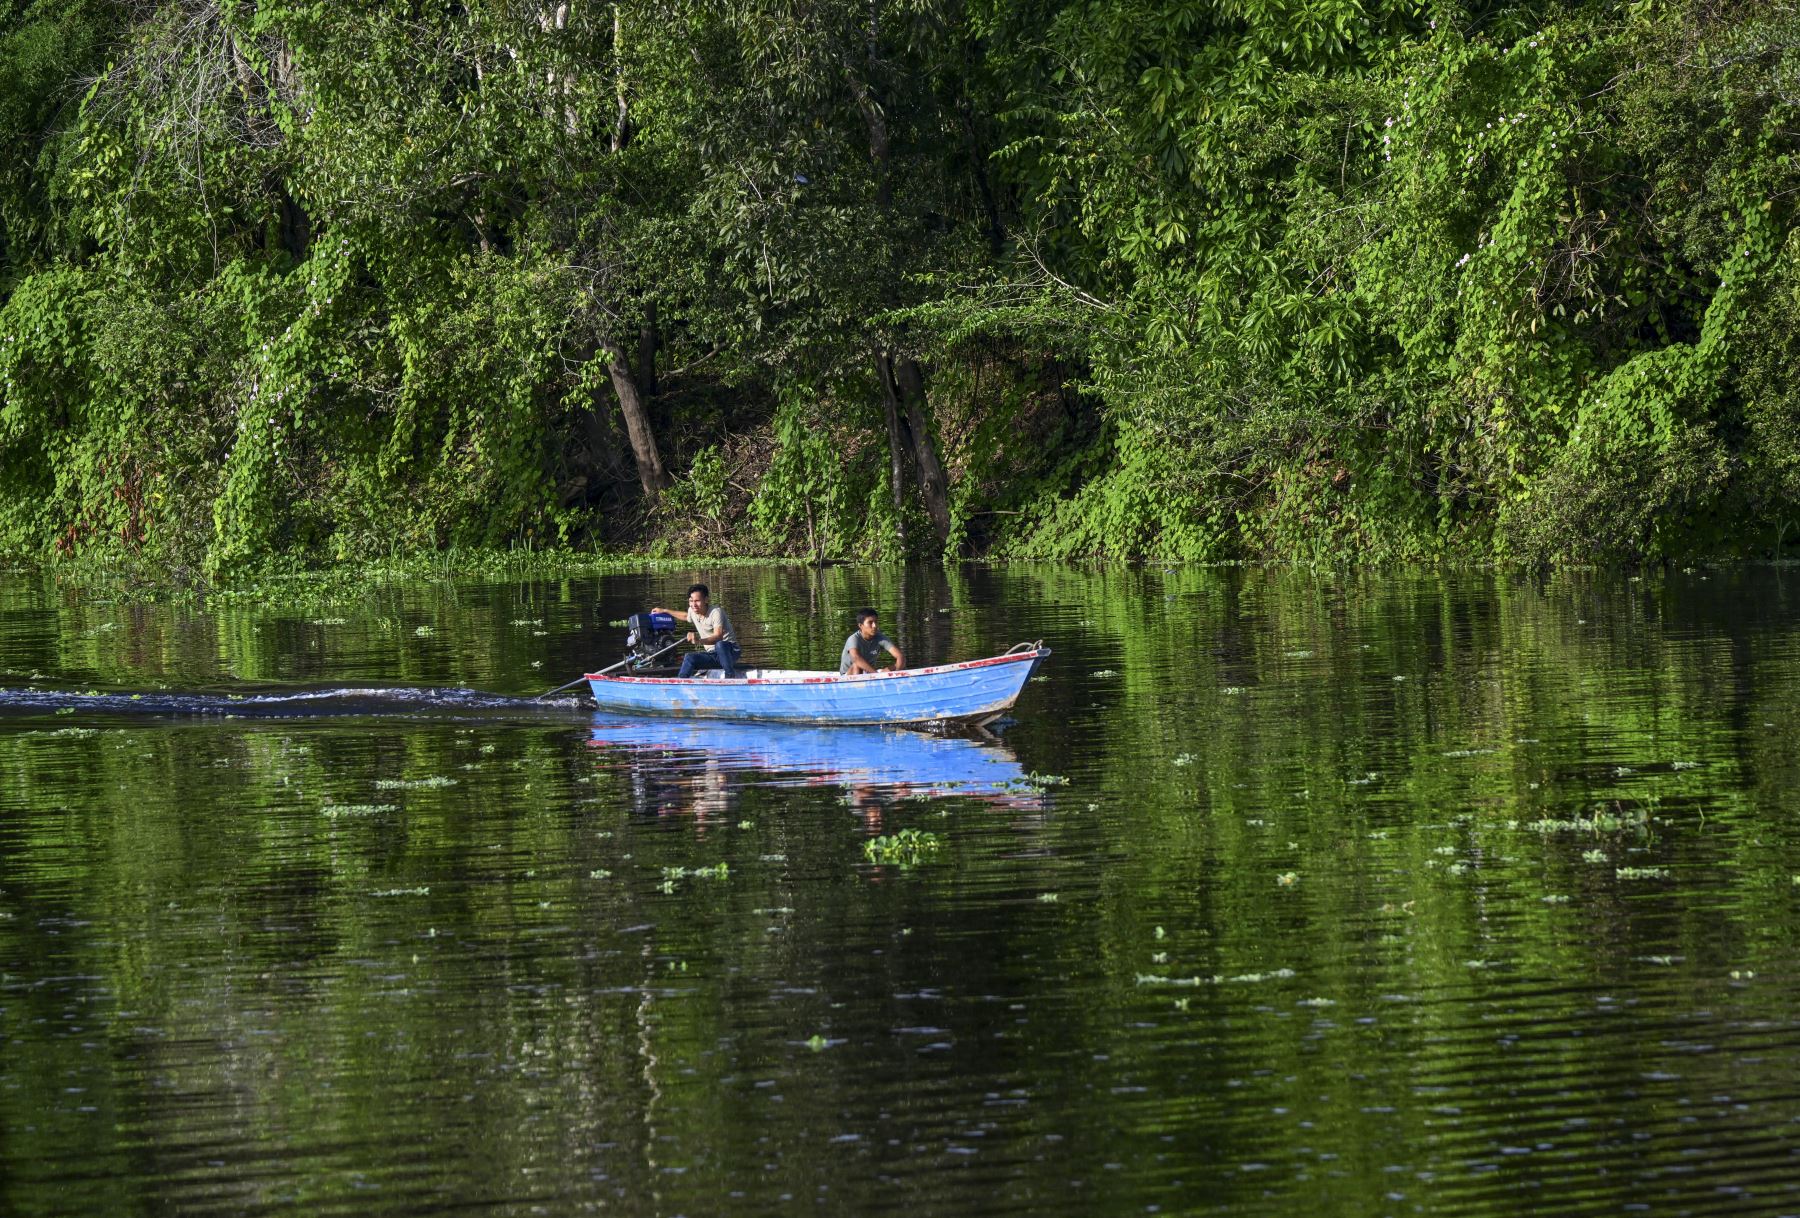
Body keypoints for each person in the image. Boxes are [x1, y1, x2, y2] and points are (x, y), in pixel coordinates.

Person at [652, 583, 741, 679]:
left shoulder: (716, 612)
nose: (694, 605)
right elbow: (686, 616)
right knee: (690, 657)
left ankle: (730, 677)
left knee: (720, 645)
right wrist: (665, 611)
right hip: (712, 654)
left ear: (706, 600)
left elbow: (718, 636)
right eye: (691, 601)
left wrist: (699, 641)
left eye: (697, 601)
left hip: (730, 651)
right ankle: (680, 683)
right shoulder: (692, 610)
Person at [840, 608, 904, 675]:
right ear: (860, 625)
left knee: (893, 667)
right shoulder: (853, 639)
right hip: (848, 675)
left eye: (876, 622)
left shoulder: (880, 637)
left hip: (870, 673)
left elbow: (900, 656)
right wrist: (876, 675)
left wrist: (897, 671)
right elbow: (856, 658)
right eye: (870, 622)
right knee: (857, 665)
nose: (875, 626)